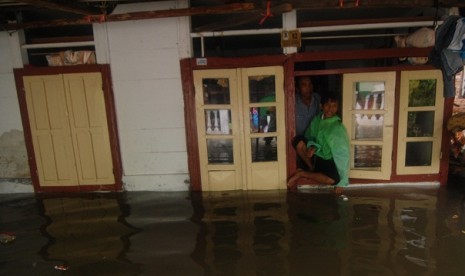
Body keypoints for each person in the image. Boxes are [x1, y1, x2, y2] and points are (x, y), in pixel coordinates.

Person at [287, 92, 350, 194]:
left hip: (328, 159)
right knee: (298, 141)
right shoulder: (317, 120)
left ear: (338, 108)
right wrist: (313, 146)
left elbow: (342, 155)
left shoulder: (336, 127)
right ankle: (311, 168)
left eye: (334, 106)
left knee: (333, 180)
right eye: (327, 105)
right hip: (316, 156)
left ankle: (302, 173)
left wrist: (342, 181)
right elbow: (309, 136)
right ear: (321, 106)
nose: (330, 109)